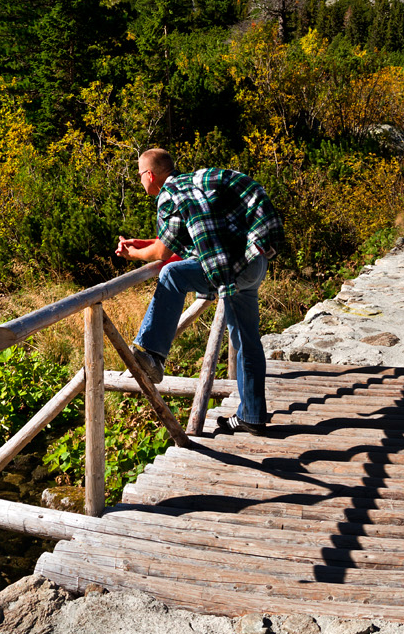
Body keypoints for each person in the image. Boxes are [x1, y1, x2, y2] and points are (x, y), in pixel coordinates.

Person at [115, 149, 281, 435]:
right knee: (246, 341)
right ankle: (252, 415)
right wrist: (141, 243)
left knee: (171, 274)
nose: (140, 180)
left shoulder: (168, 195)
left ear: (150, 175)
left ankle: (151, 353)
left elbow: (163, 253)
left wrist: (132, 256)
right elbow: (178, 237)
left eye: (140, 174)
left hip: (232, 268)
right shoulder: (195, 184)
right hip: (255, 260)